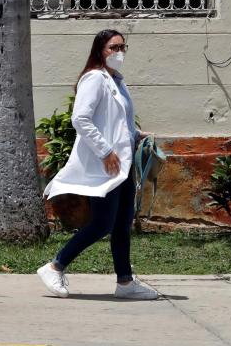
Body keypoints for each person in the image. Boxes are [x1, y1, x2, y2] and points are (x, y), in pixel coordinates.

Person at [38, 29, 159, 300]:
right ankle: (54, 266)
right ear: (100, 51)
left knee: (122, 223)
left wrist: (137, 135)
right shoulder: (94, 78)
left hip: (123, 163)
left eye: (122, 47)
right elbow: (80, 119)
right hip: (107, 164)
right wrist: (105, 152)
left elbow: (117, 122)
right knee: (103, 223)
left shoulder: (117, 81)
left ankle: (125, 282)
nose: (118, 53)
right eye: (112, 48)